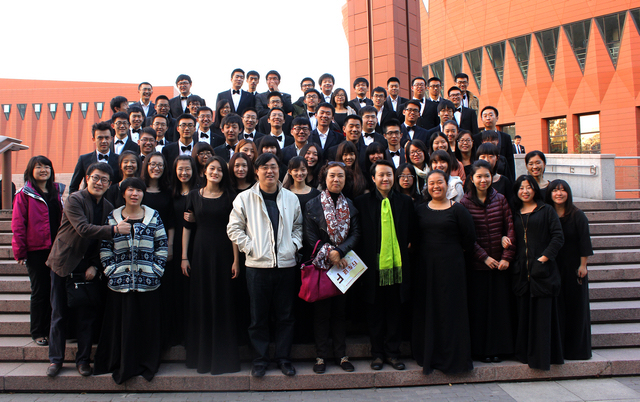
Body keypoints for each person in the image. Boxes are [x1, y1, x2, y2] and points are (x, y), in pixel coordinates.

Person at [45, 162, 127, 377]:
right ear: (87, 178)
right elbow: (83, 229)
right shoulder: (74, 199)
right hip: (63, 262)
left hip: (88, 266)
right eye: (96, 178)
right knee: (59, 314)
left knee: (86, 316)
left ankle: (83, 361)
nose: (99, 183)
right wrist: (115, 229)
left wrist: (95, 265)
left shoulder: (108, 206)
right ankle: (55, 360)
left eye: (104, 180)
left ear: (109, 184)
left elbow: (103, 243)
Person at [227, 153, 303, 378]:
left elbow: (298, 227)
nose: (270, 171)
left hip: (286, 266)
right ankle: (260, 360)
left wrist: (293, 246)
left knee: (285, 316)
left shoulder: (291, 198)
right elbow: (234, 228)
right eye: (265, 167)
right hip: (257, 267)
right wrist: (251, 248)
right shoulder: (244, 198)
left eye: (274, 167)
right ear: (256, 171)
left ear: (279, 171)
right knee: (258, 317)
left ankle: (284, 359)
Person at [95, 177, 168, 384]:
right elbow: (105, 247)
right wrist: (111, 270)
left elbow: (162, 245)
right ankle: (123, 363)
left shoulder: (153, 216)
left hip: (148, 282)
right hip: (120, 283)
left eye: (139, 190)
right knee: (124, 327)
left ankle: (146, 363)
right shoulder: (113, 217)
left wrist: (156, 270)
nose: (134, 194)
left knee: (145, 326)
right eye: (130, 190)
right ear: (123, 193)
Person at [412, 169, 476, 374]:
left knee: (451, 310)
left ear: (447, 184)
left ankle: (453, 357)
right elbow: (415, 238)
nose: (435, 186)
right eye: (431, 183)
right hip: (426, 268)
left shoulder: (458, 210)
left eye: (439, 182)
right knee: (429, 309)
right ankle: (429, 355)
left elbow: (469, 239)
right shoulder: (420, 210)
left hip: (452, 269)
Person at [181, 157, 241, 375]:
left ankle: (223, 357)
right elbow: (187, 227)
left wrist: (236, 260)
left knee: (222, 299)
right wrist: (184, 257)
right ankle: (202, 357)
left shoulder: (230, 197)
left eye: (219, 170)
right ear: (205, 171)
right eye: (212, 169)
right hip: (200, 253)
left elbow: (234, 230)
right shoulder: (193, 196)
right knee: (202, 299)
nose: (215, 172)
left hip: (224, 252)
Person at [354, 160, 415, 372]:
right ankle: (377, 354)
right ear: (373, 178)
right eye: (381, 175)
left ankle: (393, 354)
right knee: (375, 314)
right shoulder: (362, 202)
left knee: (395, 312)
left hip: (398, 268)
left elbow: (412, 231)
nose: (385, 178)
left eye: (389, 174)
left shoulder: (405, 202)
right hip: (372, 268)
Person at [305, 162, 361, 374]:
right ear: (324, 178)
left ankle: (341, 355)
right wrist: (330, 253)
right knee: (321, 313)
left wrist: (341, 251)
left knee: (340, 312)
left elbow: (356, 233)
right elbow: (309, 236)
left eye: (341, 176)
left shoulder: (351, 205)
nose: (336, 179)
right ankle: (321, 356)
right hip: (322, 265)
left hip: (344, 266)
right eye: (332, 176)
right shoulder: (312, 204)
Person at [459, 161, 516, 363]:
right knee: (480, 309)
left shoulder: (500, 199)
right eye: (479, 176)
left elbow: (510, 227)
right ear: (471, 179)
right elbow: (466, 237)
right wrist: (484, 257)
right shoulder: (464, 203)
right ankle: (481, 351)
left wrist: (506, 257)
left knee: (500, 309)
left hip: (500, 265)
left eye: (487, 176)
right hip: (477, 266)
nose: (483, 180)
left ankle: (500, 349)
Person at [512, 175, 564, 370]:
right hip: (521, 272)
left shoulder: (546, 210)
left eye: (529, 187)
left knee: (542, 316)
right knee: (524, 314)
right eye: (521, 188)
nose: (525, 191)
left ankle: (543, 357)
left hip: (543, 272)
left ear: (535, 189)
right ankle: (524, 354)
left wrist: (544, 257)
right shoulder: (514, 212)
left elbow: (558, 237)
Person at [12, 156, 65, 347]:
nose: (44, 170)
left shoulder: (56, 191)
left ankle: (53, 329)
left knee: (54, 290)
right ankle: (38, 331)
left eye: (47, 167)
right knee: (40, 291)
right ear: (31, 171)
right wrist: (20, 251)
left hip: (55, 249)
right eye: (39, 167)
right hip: (36, 250)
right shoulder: (24, 194)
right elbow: (18, 224)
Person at [545, 180, 594, 360]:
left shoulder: (577, 215)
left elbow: (584, 242)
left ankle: (576, 350)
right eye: (555, 190)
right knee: (557, 307)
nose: (559, 194)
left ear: (568, 193)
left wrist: (583, 265)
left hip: (574, 268)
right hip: (553, 266)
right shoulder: (547, 214)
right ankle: (558, 349)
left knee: (575, 308)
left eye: (562, 190)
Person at [166, 155, 199, 347]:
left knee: (193, 290)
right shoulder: (171, 192)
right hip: (176, 245)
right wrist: (170, 246)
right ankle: (178, 333)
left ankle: (192, 334)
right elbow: (169, 220)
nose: (184, 173)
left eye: (187, 169)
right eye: (180, 169)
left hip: (197, 244)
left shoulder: (200, 191)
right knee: (177, 290)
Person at [69, 121, 119, 193]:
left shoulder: (119, 160)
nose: (104, 141)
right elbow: (74, 186)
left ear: (111, 139)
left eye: (107, 138)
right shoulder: (84, 159)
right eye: (100, 138)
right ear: (94, 139)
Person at [477, 143, 514, 209]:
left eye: (491, 156)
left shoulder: (504, 181)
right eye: (483, 157)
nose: (487, 160)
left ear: (497, 158)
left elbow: (510, 206)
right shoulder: (471, 179)